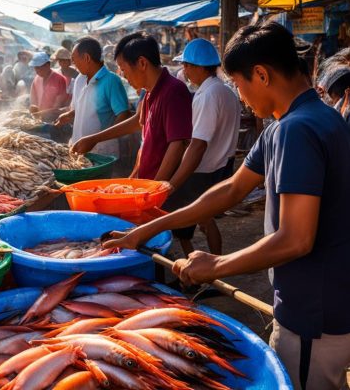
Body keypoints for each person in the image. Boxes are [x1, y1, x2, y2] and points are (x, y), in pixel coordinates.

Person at [106, 22, 350, 390]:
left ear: (261, 75)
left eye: (238, 85)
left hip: (315, 311)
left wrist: (216, 265)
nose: (239, 96)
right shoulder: (301, 119)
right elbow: (230, 190)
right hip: (322, 299)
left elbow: (296, 239)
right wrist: (148, 228)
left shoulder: (297, 129)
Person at [70, 32, 192, 188]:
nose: (124, 76)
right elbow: (137, 123)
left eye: (123, 69)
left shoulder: (173, 90)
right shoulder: (148, 92)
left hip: (160, 189)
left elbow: (178, 145)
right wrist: (94, 139)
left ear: (142, 63)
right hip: (144, 182)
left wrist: (154, 189)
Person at [167, 38, 241, 255]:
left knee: (186, 217)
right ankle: (210, 267)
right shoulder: (225, 91)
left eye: (187, 65)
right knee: (204, 218)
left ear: (199, 67)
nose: (184, 70)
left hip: (203, 170)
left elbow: (198, 145)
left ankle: (206, 269)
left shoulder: (208, 95)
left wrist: (173, 183)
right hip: (220, 166)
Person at [54, 36, 130, 157]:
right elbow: (83, 107)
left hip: (102, 152)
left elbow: (124, 115)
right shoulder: (79, 79)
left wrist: (99, 139)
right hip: (77, 146)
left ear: (87, 58)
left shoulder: (111, 80)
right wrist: (70, 114)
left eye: (74, 60)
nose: (73, 64)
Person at [28, 52, 69, 122]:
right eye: (35, 68)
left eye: (39, 67)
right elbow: (33, 100)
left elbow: (57, 106)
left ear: (48, 65)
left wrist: (41, 114)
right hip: (39, 118)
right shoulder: (36, 79)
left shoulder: (59, 79)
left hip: (55, 119)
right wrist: (34, 109)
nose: (37, 71)